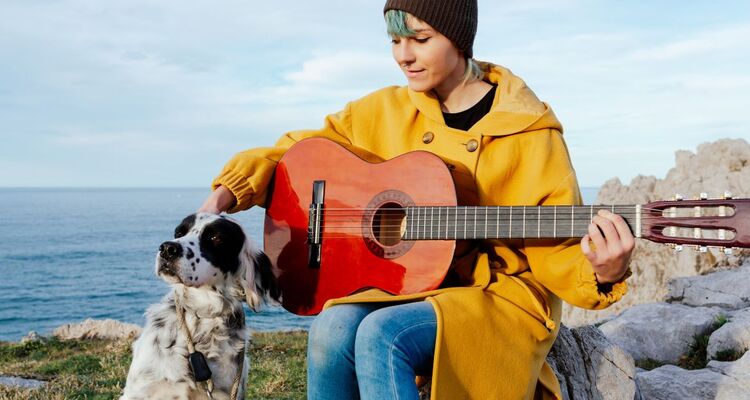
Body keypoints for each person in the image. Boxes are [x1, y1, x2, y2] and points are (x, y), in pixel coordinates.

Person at [199, 1, 635, 399]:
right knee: (331, 327)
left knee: (381, 335)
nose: (404, 55)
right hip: (409, 284)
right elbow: (299, 152)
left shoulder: (531, 131)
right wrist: (232, 188)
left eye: (421, 40)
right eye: (395, 40)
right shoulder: (382, 109)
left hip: (500, 298)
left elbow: (556, 248)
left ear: (459, 39)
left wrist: (602, 270)